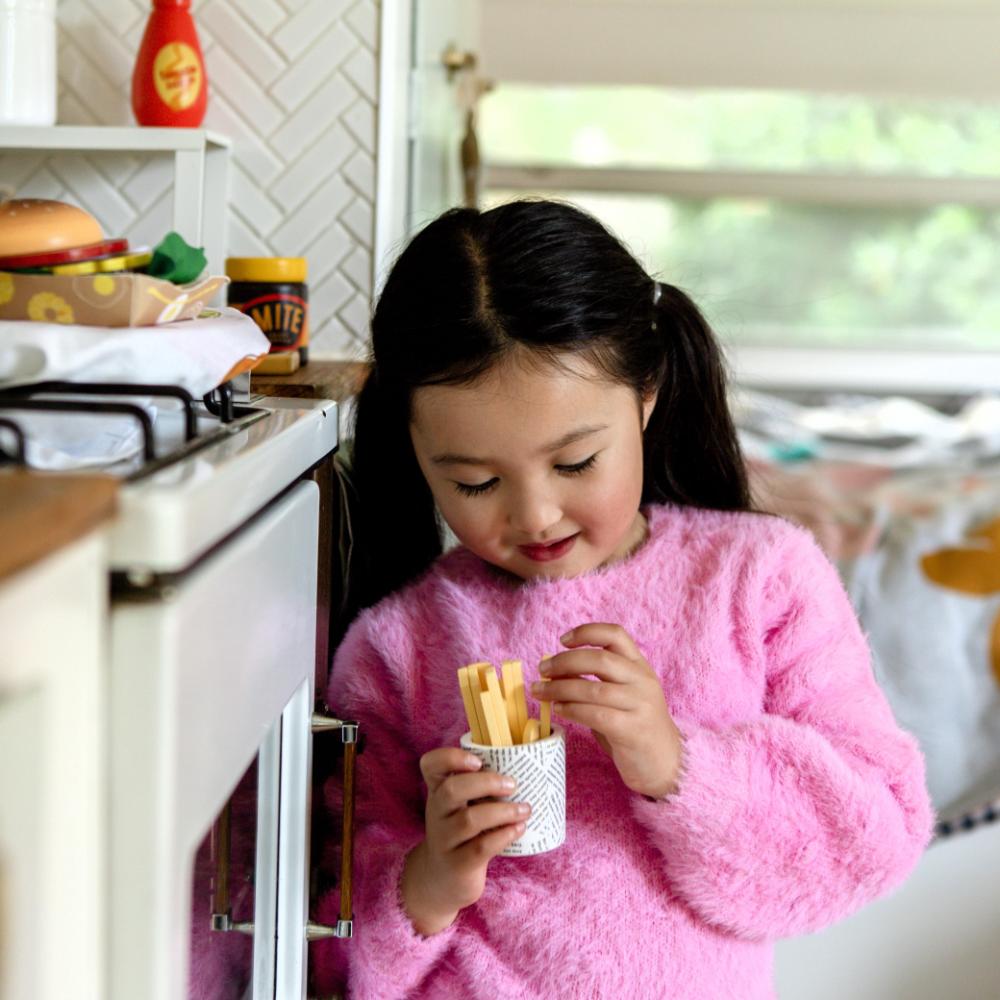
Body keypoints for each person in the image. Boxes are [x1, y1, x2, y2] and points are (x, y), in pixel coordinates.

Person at [312, 199, 934, 999]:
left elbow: (876, 839)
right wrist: (429, 881)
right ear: (415, 448)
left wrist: (677, 763)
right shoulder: (401, 643)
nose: (535, 515)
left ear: (647, 394)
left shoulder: (758, 578)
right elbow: (322, 944)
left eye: (575, 464)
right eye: (475, 482)